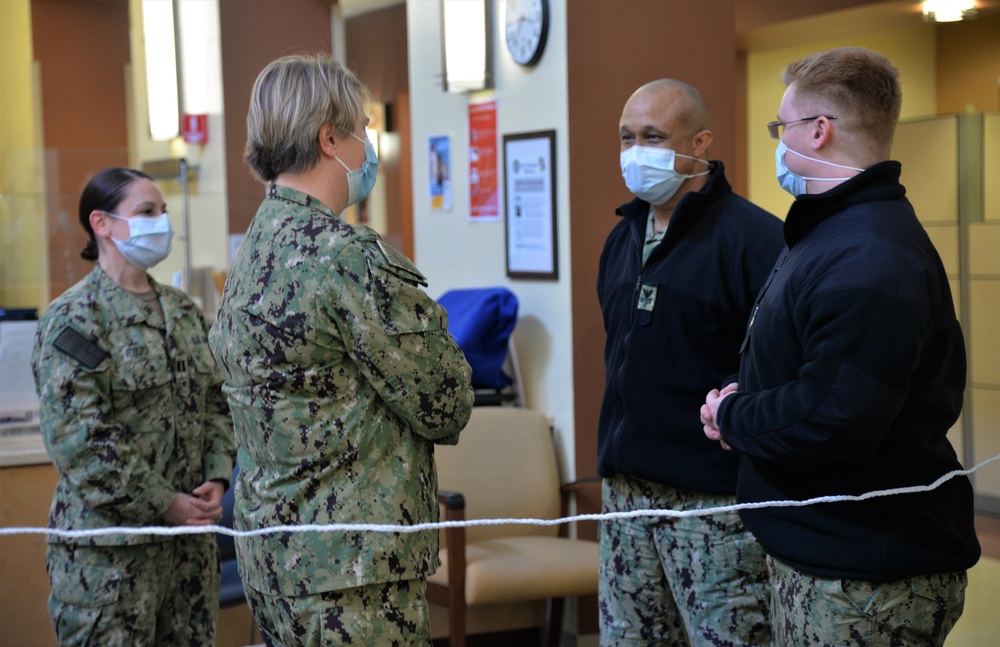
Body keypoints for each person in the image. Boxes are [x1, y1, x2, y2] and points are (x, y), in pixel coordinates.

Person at [701, 47, 981, 646]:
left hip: (864, 577)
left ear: (819, 131)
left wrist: (733, 416)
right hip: (823, 551)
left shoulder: (869, 254)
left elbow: (833, 417)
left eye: (782, 127)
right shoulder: (832, 232)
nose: (777, 142)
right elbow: (815, 373)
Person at [208, 53, 475, 646]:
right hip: (350, 577)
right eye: (361, 130)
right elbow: (446, 402)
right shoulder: (344, 256)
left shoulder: (252, 252)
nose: (367, 146)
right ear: (330, 138)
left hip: (275, 562)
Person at [596, 79, 784, 646]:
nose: (636, 151)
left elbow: (773, 366)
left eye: (653, 136)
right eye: (627, 137)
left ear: (700, 142)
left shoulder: (754, 239)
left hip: (713, 509)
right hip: (625, 498)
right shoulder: (621, 239)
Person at [31, 166, 236, 645]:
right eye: (146, 212)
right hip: (110, 564)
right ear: (101, 224)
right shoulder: (76, 319)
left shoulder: (183, 311)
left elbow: (215, 403)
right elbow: (82, 444)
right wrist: (166, 504)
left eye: (162, 211)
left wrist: (217, 475)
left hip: (188, 557)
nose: (160, 222)